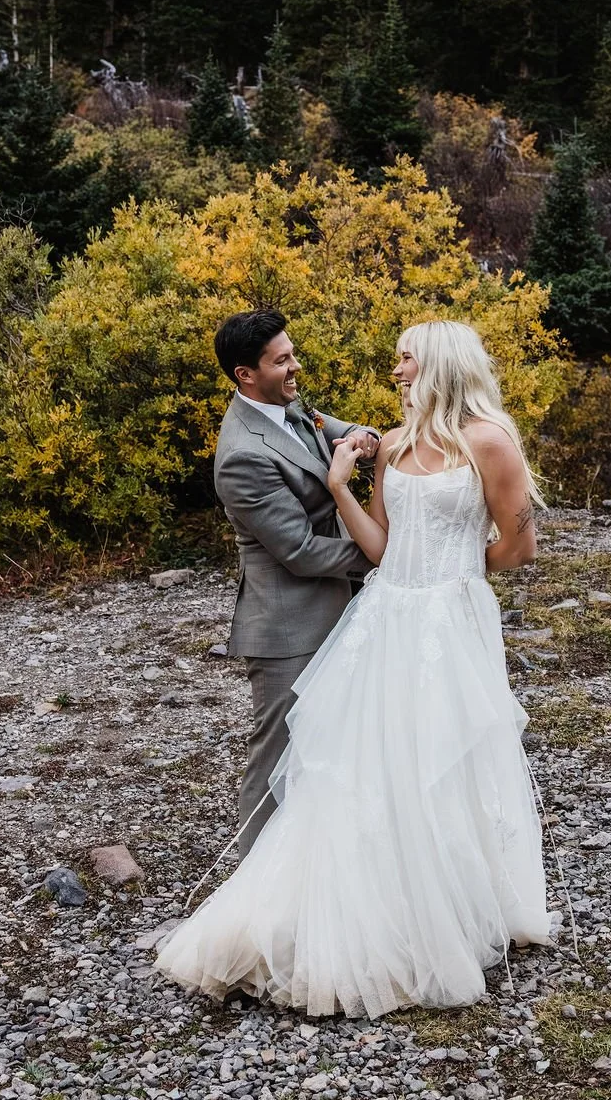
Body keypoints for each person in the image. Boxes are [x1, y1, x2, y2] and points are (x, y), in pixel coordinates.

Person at [157, 319, 555, 1018]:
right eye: (282, 358)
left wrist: (453, 577)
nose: (394, 367)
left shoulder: (487, 440)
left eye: (404, 357)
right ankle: (312, 904)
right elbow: (370, 545)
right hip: (381, 615)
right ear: (247, 373)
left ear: (434, 365)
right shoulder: (291, 453)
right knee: (365, 762)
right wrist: (345, 489)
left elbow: (518, 546)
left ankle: (461, 899)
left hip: (448, 614)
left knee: (451, 753)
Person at [210, 310, 380, 856]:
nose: (294, 366)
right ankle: (253, 879)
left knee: (339, 740)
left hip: (338, 603)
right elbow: (301, 552)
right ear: (245, 375)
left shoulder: (288, 405)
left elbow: (333, 428)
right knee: (278, 752)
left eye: (292, 352)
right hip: (287, 625)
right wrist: (386, 552)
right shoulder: (242, 455)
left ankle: (319, 861)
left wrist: (361, 436)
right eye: (281, 360)